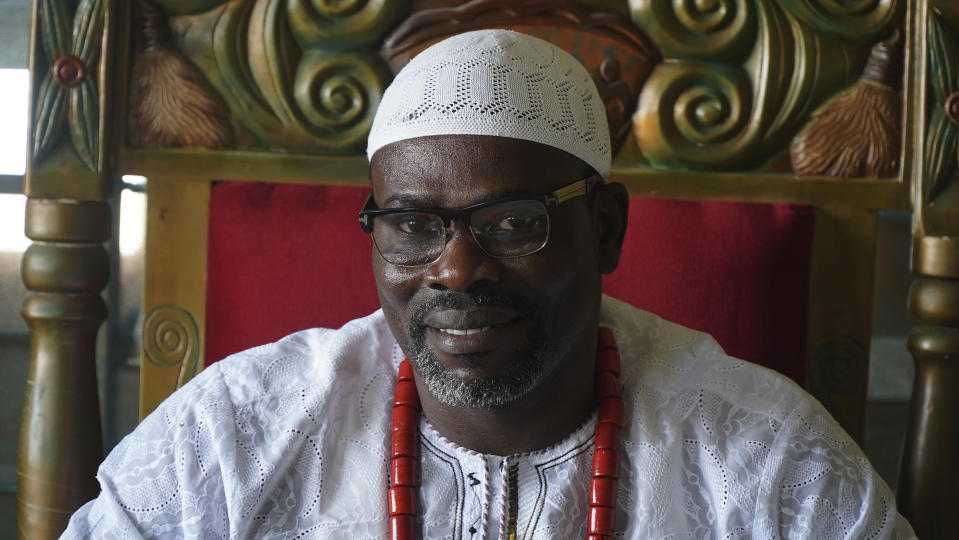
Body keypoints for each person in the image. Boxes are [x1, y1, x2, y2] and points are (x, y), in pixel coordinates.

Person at [62, 30, 915, 539]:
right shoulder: (232, 434)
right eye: (412, 225)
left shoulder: (767, 462)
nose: (456, 268)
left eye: (512, 222)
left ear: (606, 229)